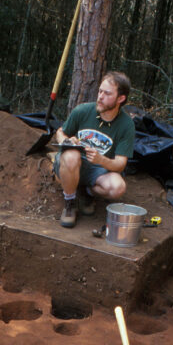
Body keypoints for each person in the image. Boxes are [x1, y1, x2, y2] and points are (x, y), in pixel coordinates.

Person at [53, 71, 135, 228]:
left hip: (98, 170)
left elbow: (120, 164)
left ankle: (86, 193)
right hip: (70, 163)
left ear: (121, 99)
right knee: (71, 156)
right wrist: (66, 141)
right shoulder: (83, 110)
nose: (100, 97)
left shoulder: (126, 125)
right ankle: (69, 204)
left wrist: (101, 160)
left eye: (107, 94)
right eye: (100, 91)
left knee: (118, 187)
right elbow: (60, 131)